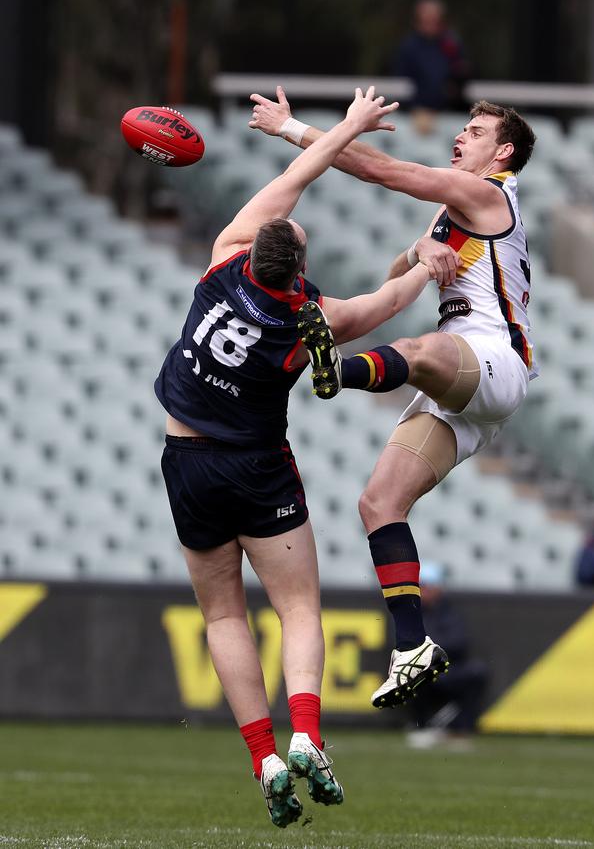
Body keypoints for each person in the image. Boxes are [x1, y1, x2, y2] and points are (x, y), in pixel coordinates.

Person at [154, 88, 441, 828]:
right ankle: (308, 734)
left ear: (256, 249)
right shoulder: (313, 319)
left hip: (187, 461)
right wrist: (427, 266)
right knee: (298, 606)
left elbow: (295, 179)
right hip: (259, 466)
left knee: (223, 616)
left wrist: (335, 131)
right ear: (299, 266)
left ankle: (267, 760)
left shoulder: (221, 263)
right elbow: (383, 305)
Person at [249, 88, 537, 710]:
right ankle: (413, 645)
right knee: (378, 502)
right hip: (463, 382)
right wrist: (415, 253)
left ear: (504, 152)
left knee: (424, 347)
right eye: (464, 127)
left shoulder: (488, 193)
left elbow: (385, 170)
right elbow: (392, 280)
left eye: (477, 131)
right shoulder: (454, 214)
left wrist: (292, 128)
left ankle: (333, 371)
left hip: (492, 360)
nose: (462, 136)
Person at [405, 562, 488, 748]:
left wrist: (432, 647)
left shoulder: (450, 612)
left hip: (448, 666)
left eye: (428, 586)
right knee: (414, 673)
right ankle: (422, 725)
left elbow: (460, 642)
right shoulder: (408, 611)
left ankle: (458, 729)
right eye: (421, 586)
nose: (424, 591)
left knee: (477, 672)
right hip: (422, 667)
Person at [394, 0, 470, 135]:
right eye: (426, 20)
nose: (431, 24)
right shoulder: (409, 47)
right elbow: (402, 83)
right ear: (417, 21)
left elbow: (461, 73)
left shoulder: (451, 44)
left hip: (449, 114)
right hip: (415, 117)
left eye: (435, 20)